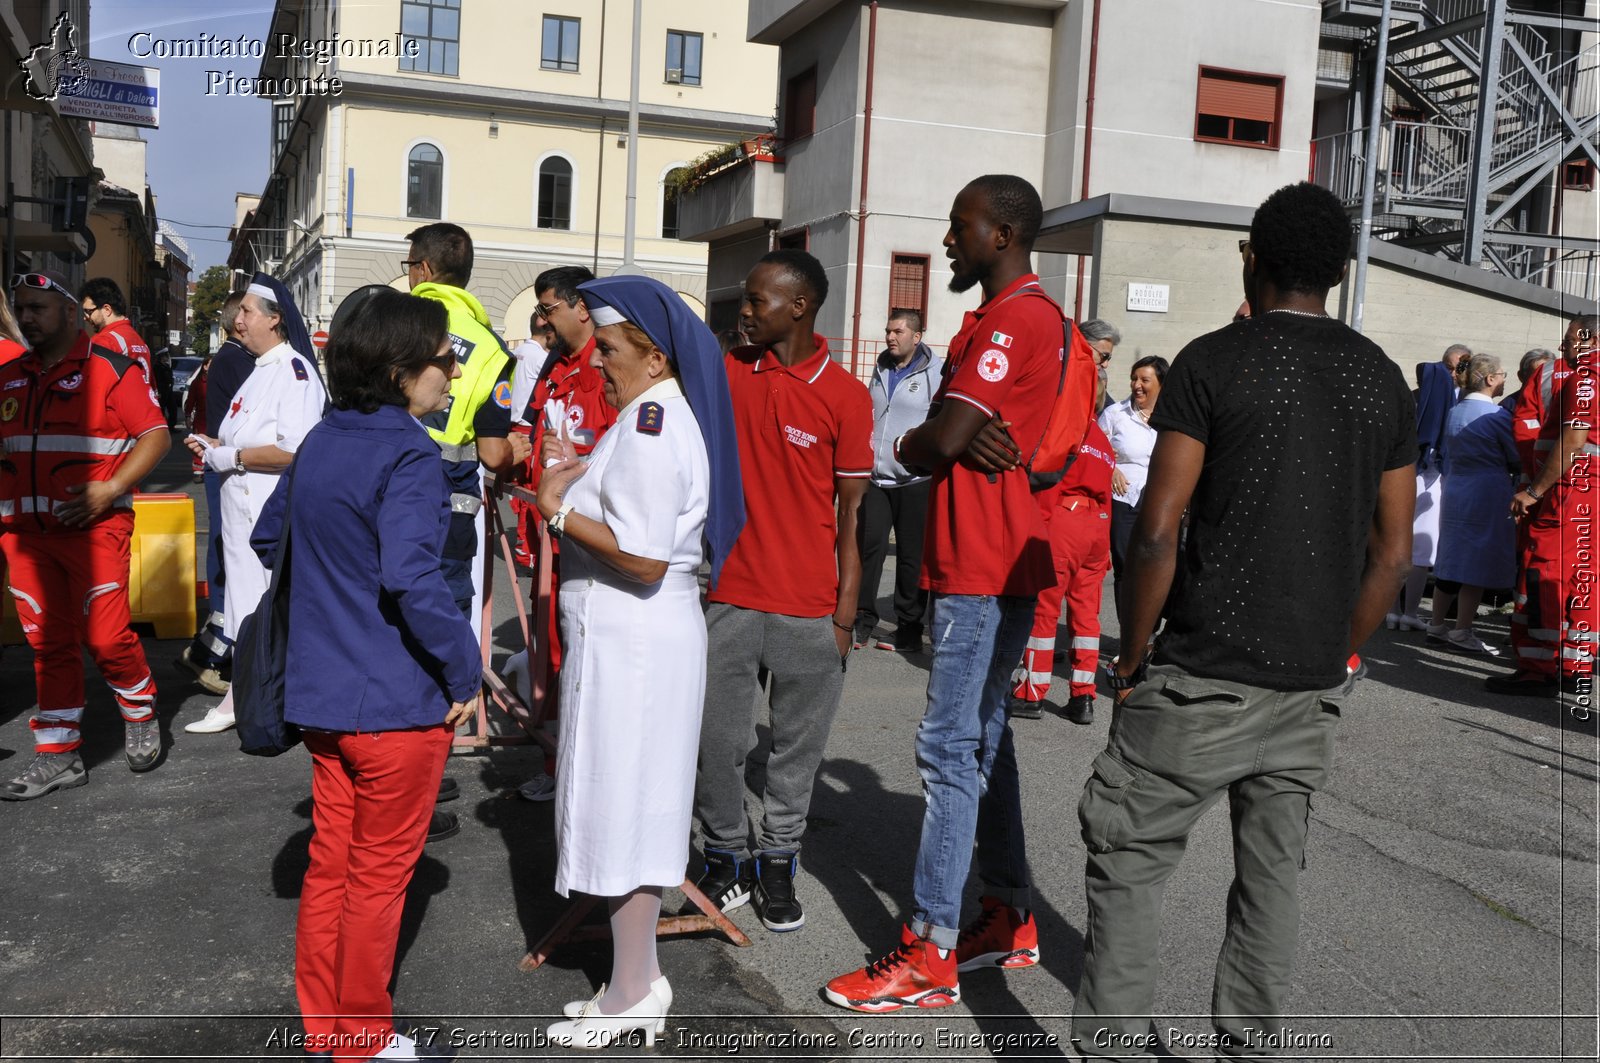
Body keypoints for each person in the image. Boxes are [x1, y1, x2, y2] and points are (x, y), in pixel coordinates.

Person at [1073, 181, 1416, 1056]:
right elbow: (1392, 554)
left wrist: (1135, 652)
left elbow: (1155, 529)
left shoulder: (1212, 361)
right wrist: (1335, 653)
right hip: (1306, 687)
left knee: (1132, 868)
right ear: (1339, 272)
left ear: (1250, 259)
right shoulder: (1382, 377)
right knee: (1270, 888)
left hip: (1198, 673)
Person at [823, 175, 1059, 1012]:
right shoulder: (1003, 321)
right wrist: (944, 435)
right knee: (982, 743)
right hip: (987, 562)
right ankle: (1006, 911)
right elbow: (948, 436)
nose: (949, 240)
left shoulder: (1018, 317)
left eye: (960, 227)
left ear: (1001, 233)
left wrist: (936, 436)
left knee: (948, 748)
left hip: (986, 567)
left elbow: (934, 442)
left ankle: (929, 948)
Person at [251, 285, 476, 1063]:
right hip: (393, 700)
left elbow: (267, 535)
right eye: (443, 358)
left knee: (332, 866)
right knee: (378, 880)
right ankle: (363, 1041)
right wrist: (464, 670)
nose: (450, 372)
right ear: (400, 369)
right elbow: (415, 579)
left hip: (323, 695)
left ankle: (328, 1030)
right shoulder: (410, 449)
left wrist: (332, 589)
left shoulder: (323, 439)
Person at [533, 275, 743, 1049]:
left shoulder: (655, 421)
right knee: (627, 807)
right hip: (632, 641)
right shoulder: (647, 417)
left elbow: (647, 557)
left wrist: (557, 508)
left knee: (629, 809)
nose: (600, 363)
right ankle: (636, 976)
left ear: (655, 357)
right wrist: (579, 473)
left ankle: (634, 990)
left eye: (614, 350)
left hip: (639, 642)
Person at [693, 249, 872, 933]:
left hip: (810, 609)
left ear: (800, 306)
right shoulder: (727, 375)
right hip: (731, 596)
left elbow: (855, 514)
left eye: (757, 300)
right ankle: (724, 854)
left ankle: (777, 860)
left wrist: (845, 613)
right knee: (718, 742)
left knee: (796, 752)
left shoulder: (845, 395)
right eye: (744, 298)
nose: (743, 311)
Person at [0, 269, 170, 799]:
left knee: (106, 637)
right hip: (25, 536)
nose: (27, 318)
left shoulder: (110, 369)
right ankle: (59, 753)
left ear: (70, 313)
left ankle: (140, 710)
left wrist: (112, 487)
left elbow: (156, 436)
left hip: (95, 529)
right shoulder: (10, 375)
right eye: (22, 308)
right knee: (47, 643)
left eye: (38, 309)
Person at [183, 274, 326, 734]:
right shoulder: (260, 368)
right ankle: (246, 695)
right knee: (249, 607)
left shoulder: (294, 373)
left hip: (267, 518)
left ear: (275, 318)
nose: (237, 320)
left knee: (269, 608)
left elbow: (294, 450)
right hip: (243, 516)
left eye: (246, 312)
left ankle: (255, 700)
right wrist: (213, 444)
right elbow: (245, 437)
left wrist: (233, 456)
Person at [405, 222, 521, 628]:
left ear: (422, 269)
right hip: (449, 509)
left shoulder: (391, 322)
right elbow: (492, 452)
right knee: (444, 622)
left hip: (384, 494)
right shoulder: (491, 348)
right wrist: (514, 451)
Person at [520, 266, 618, 708]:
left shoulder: (609, 365)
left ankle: (567, 766)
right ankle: (553, 763)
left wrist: (576, 456)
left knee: (585, 658)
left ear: (582, 307)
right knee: (552, 647)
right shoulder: (553, 364)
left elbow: (619, 446)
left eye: (548, 309)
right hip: (548, 531)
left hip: (587, 535)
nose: (542, 320)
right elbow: (532, 427)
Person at [1493, 315, 1600, 697]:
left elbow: (1569, 441)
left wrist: (1534, 489)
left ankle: (1538, 669)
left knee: (1542, 574)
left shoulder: (1585, 379)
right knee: (1585, 577)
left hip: (1567, 491)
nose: (1563, 346)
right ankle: (1576, 664)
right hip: (1590, 495)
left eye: (1570, 338)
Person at [1010, 371, 1115, 724]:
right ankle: (1083, 696)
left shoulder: (1067, 426)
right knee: (1086, 617)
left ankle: (1032, 692)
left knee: (1044, 610)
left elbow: (1049, 485)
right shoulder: (1101, 438)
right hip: (1097, 526)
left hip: (1064, 521)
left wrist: (1032, 532)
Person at [855, 308, 943, 652]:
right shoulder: (880, 367)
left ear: (917, 336)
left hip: (915, 479)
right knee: (868, 548)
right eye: (888, 330)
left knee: (912, 556)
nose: (890, 337)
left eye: (898, 331)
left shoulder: (935, 373)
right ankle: (861, 619)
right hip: (876, 479)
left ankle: (909, 627)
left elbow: (940, 421)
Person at [178, 292, 253, 696]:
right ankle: (212, 658)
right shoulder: (235, 360)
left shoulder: (223, 360)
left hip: (222, 465)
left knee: (225, 558)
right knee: (228, 561)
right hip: (230, 468)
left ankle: (206, 651)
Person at [1431, 354, 1518, 656]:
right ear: (1491, 379)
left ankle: (1437, 622)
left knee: (1451, 554)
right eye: (1503, 374)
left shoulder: (1455, 411)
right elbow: (1515, 455)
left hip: (1456, 487)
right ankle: (1462, 629)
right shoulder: (1496, 417)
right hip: (1487, 490)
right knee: (1477, 560)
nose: (1506, 380)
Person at [1388, 354, 1459, 630]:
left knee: (1399, 545)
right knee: (1420, 553)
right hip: (1429, 481)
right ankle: (1410, 613)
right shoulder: (1445, 407)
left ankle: (1393, 611)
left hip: (1402, 475)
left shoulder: (1410, 401)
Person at [1098, 355, 1167, 638]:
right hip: (1124, 499)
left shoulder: (1174, 416)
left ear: (1162, 384)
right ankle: (1129, 637)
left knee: (1156, 567)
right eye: (1134, 378)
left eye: (1145, 380)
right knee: (1126, 567)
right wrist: (1110, 468)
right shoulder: (1116, 415)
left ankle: (1149, 635)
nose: (1136, 385)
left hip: (1160, 501)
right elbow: (1094, 451)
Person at [507, 308, 558, 567]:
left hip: (513, 426)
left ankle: (523, 548)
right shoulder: (540, 358)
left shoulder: (516, 353)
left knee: (521, 493)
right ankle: (527, 550)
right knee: (531, 491)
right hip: (529, 429)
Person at [80, 277, 152, 379]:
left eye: (88, 312)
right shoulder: (140, 342)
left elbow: (92, 388)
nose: (85, 318)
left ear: (107, 310)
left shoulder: (104, 342)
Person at [1080, 318, 1120, 413]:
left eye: (1108, 358)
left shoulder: (1107, 405)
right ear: (1084, 346)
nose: (1105, 364)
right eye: (1104, 356)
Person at [182, 353, 211, 480]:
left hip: (215, 419)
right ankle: (198, 471)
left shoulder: (220, 380)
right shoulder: (198, 383)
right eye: (211, 364)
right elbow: (191, 401)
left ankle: (211, 468)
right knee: (199, 443)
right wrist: (188, 416)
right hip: (201, 419)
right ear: (205, 366)